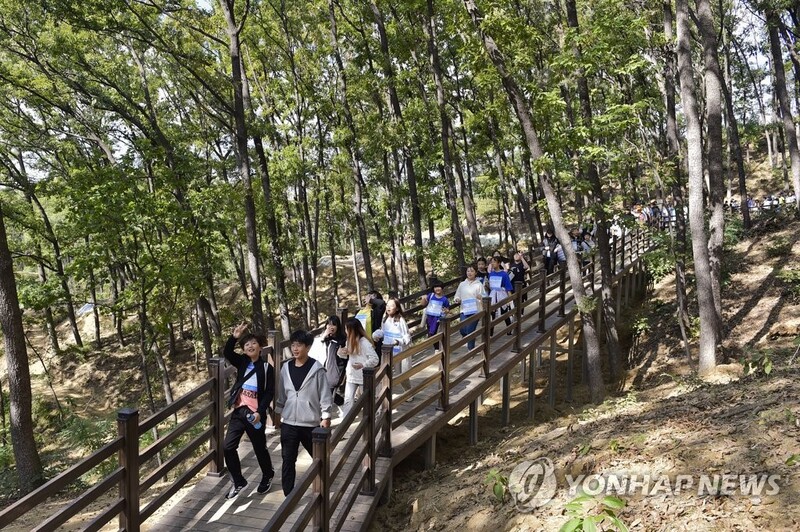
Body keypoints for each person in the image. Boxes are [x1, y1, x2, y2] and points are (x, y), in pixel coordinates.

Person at [275, 329, 333, 496]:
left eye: (299, 345)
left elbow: (325, 394)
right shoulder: (286, 368)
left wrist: (326, 416)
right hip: (289, 423)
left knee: (318, 458)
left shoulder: (317, 369)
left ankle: (323, 486)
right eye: (293, 345)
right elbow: (282, 394)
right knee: (288, 459)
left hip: (310, 423)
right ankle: (288, 495)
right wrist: (278, 413)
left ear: (307, 347)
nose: (295, 348)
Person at [223, 323, 275, 499]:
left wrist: (261, 411)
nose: (250, 346)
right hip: (239, 411)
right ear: (244, 350)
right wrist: (234, 336)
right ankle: (238, 481)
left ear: (260, 346)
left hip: (255, 414)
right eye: (246, 345)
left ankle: (267, 475)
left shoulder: (267, 368)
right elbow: (227, 353)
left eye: (253, 343)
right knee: (228, 447)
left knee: (259, 448)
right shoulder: (242, 362)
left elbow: (269, 393)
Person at [337, 318, 379, 417]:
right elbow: (347, 356)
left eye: (347, 329)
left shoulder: (364, 343)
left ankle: (373, 417)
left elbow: (375, 359)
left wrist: (363, 365)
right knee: (348, 399)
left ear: (352, 330)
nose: (345, 331)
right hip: (351, 375)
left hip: (363, 377)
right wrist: (340, 353)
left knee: (366, 399)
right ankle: (345, 422)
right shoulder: (349, 341)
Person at [372, 297, 412, 395]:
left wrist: (398, 342)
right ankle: (382, 394)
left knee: (401, 375)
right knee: (383, 372)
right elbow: (383, 331)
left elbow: (407, 338)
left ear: (397, 308)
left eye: (392, 305)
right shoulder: (385, 318)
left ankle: (408, 392)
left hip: (399, 352)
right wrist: (377, 335)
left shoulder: (401, 320)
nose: (388, 307)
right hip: (386, 351)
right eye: (387, 305)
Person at [309, 315, 347, 406]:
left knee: (327, 392)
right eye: (329, 325)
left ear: (338, 327)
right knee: (320, 391)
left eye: (334, 325)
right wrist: (324, 337)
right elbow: (313, 351)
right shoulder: (321, 338)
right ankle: (340, 401)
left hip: (335, 370)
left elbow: (345, 357)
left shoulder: (342, 340)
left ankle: (325, 415)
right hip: (322, 368)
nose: (331, 327)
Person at [453, 264, 486, 350]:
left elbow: (484, 296)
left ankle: (470, 350)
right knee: (463, 330)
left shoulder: (479, 284)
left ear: (475, 272)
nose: (469, 273)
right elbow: (457, 295)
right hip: (464, 310)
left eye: (472, 271)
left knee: (470, 330)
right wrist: (457, 300)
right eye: (468, 271)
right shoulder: (462, 284)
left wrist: (481, 297)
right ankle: (468, 338)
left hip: (475, 310)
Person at [488, 256, 514, 333]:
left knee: (504, 312)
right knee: (492, 313)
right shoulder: (491, 274)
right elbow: (491, 286)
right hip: (493, 295)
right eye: (491, 262)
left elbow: (508, 287)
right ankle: (490, 332)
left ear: (499, 263)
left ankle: (509, 329)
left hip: (501, 294)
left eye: (494, 262)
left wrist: (510, 299)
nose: (492, 263)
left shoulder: (504, 274)